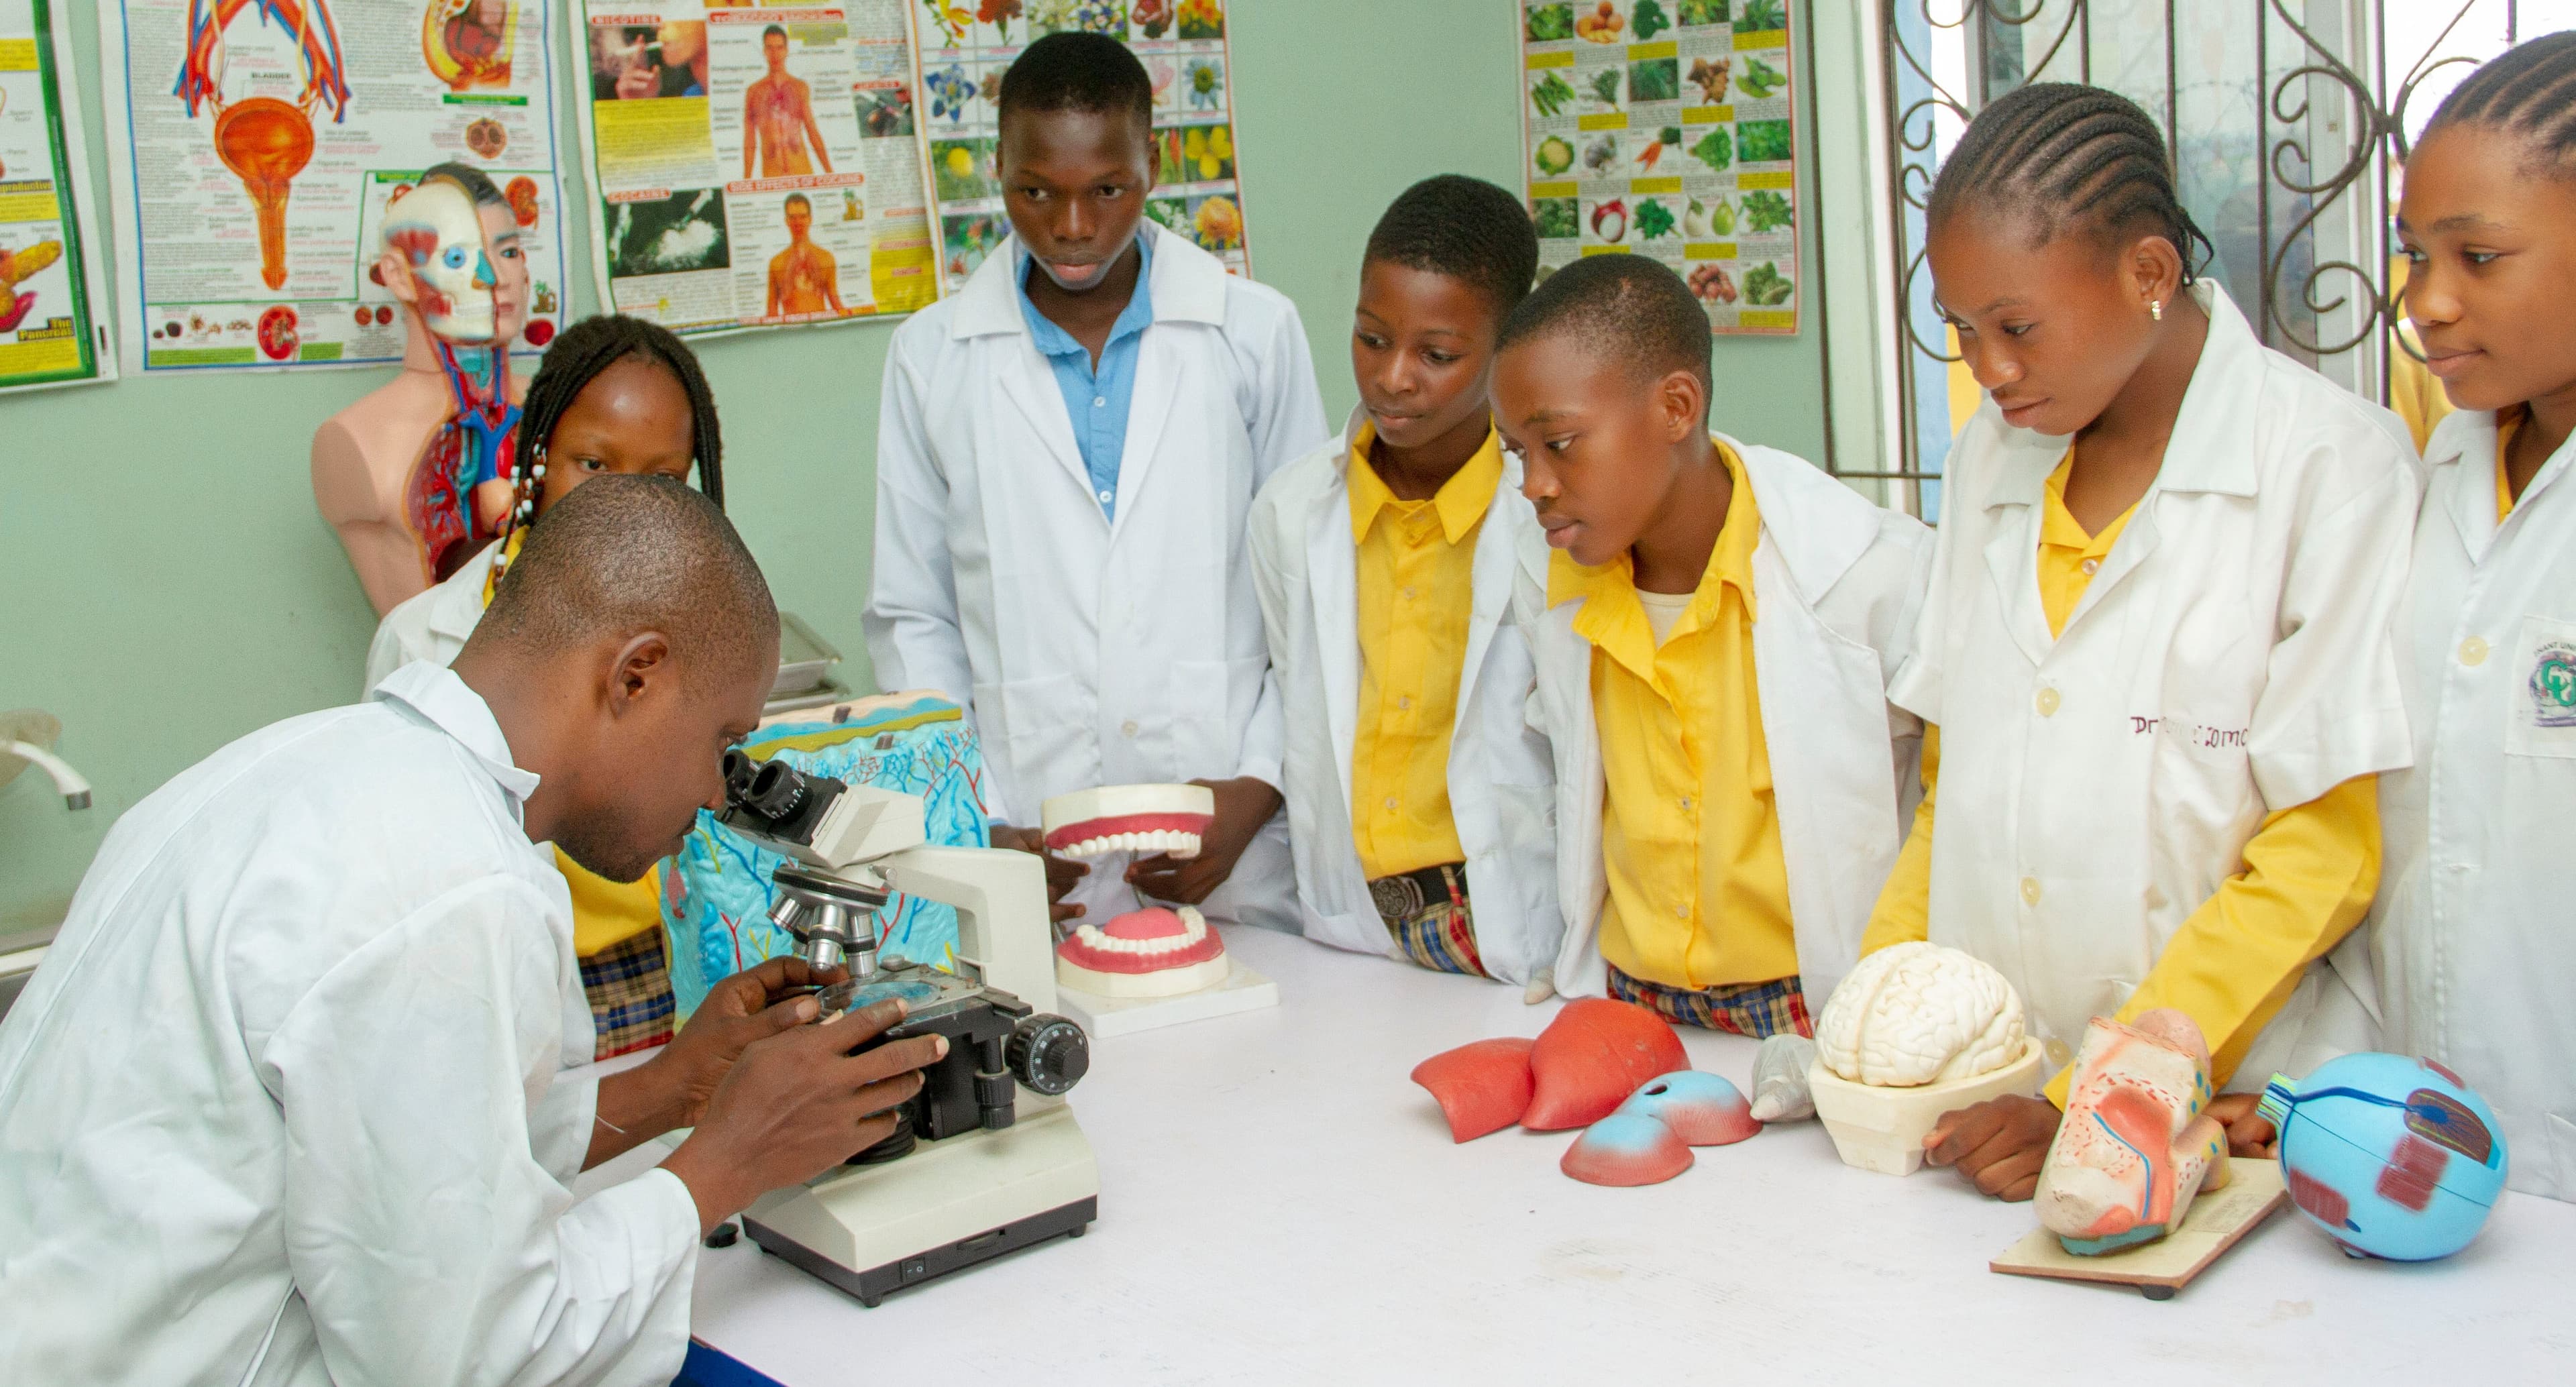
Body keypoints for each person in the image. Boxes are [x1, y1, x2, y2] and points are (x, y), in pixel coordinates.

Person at [0, 478, 945, 1385]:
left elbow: (395, 1163)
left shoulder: (288, 769)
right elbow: (470, 1360)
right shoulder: (454, 886)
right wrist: (726, 1164)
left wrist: (674, 1089)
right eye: (721, 743)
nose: (711, 792)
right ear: (636, 676)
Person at [1860, 82, 2419, 1201]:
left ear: (2149, 275)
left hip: (2223, 1100)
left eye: (2016, 325)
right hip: (1987, 1098)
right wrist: (1881, 1013)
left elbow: (2327, 847)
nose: (1989, 368)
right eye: (1961, 331)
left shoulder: (2331, 465)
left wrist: (2108, 1089)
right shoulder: (1992, 458)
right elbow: (1953, 783)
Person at [867, 32, 1328, 932]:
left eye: (1106, 190)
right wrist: (974, 819)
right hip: (1029, 844)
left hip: (1228, 857)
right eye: (1034, 192)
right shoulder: (932, 357)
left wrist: (1259, 786)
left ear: (1152, 165)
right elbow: (912, 614)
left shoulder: (1252, 333)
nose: (1072, 227)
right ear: (996, 169)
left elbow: (1309, 592)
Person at [1497, 254, 1933, 1033]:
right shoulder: (1552, 578)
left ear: (1676, 406)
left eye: (1559, 443)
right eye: (1515, 453)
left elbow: (1948, 807)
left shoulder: (1866, 572)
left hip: (1815, 1007)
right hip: (1630, 1002)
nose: (1534, 483)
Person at [2340, 32, 2576, 1201]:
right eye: (2416, 254)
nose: (2427, 302)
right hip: (2413, 1155)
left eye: (2479, 256)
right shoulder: (2431, 475)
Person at [368, 314, 726, 1060]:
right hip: (506, 980)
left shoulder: (719, 628)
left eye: (662, 479)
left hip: (680, 970)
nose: (624, 506)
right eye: (593, 465)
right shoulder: (425, 635)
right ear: (536, 461)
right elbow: (398, 863)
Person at [1249, 175, 1558, 989]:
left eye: (1438, 355)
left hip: (1510, 916)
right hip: (1350, 918)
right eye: (1371, 338)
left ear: (1508, 344)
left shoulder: (1550, 514)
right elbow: (1299, 702)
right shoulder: (1291, 511)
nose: (1393, 378)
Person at [743, 25, 832, 178]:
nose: (775, 54)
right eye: (770, 48)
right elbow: (749, 139)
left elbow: (812, 132)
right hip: (772, 174)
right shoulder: (754, 92)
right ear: (764, 51)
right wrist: (747, 179)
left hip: (801, 170)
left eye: (779, 48)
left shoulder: (799, 87)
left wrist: (830, 172)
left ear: (786, 50)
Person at [767, 192, 846, 317]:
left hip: (821, 331)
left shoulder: (826, 258)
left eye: (802, 217)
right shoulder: (776, 262)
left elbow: (836, 303)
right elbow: (772, 311)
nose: (798, 223)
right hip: (791, 333)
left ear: (810, 219)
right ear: (786, 221)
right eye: (793, 217)